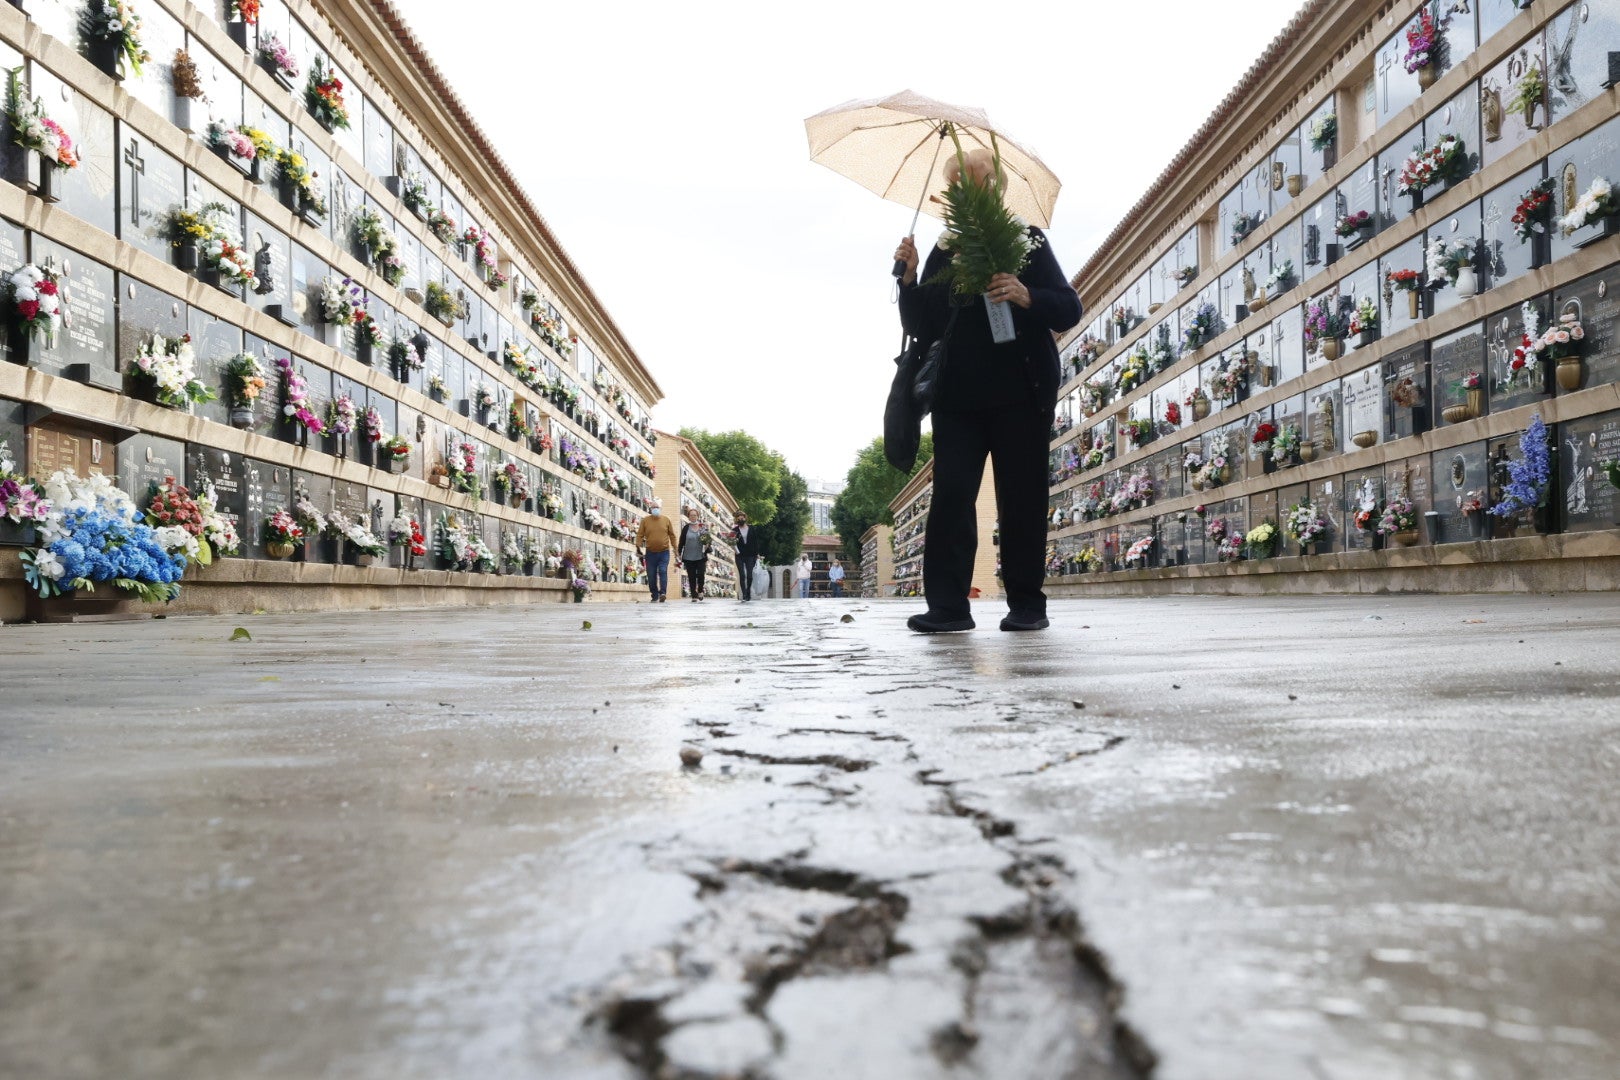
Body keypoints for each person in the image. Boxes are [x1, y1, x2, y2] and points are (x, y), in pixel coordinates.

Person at [894, 148, 1082, 633]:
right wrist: (911, 280)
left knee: (1021, 497)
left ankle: (1026, 604)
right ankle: (949, 607)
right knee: (952, 498)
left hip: (1022, 391)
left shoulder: (1026, 241)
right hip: (957, 397)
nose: (960, 191)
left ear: (994, 187)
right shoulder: (945, 248)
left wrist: (1026, 294)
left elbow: (1067, 308)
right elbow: (923, 326)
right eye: (954, 183)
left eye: (970, 181)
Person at [634, 499, 678, 603]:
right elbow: (640, 534)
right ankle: (654, 594)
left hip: (664, 552)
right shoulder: (645, 521)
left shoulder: (666, 520)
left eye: (657, 507)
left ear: (660, 508)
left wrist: (675, 548)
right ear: (650, 508)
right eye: (653, 507)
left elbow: (672, 535)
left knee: (663, 571)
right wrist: (638, 545)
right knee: (651, 574)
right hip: (650, 553)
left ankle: (663, 593)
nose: (655, 509)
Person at [678, 506, 711, 603]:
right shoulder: (686, 528)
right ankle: (694, 595)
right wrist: (679, 553)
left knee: (701, 574)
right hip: (688, 556)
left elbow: (708, 540)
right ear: (688, 517)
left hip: (700, 556)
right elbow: (682, 541)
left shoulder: (702, 527)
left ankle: (700, 590)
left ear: (697, 516)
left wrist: (707, 543)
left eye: (695, 515)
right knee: (691, 576)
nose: (693, 517)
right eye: (691, 515)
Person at [731, 511, 761, 601]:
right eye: (738, 518)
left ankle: (748, 592)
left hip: (751, 555)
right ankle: (744, 594)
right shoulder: (734, 530)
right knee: (742, 575)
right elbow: (731, 542)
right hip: (739, 555)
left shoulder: (751, 528)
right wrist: (736, 550)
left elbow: (756, 541)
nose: (740, 519)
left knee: (749, 575)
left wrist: (757, 553)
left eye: (742, 518)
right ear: (736, 519)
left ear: (745, 518)